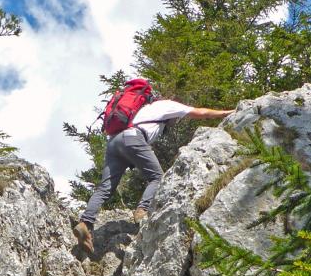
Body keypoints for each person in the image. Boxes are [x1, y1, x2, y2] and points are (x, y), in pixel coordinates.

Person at [73, 95, 232, 255]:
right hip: (132, 138)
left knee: (105, 188)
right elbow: (200, 112)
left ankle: (85, 223)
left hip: (114, 142)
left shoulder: (141, 109)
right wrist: (227, 113)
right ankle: (142, 210)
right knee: (158, 177)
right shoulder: (167, 105)